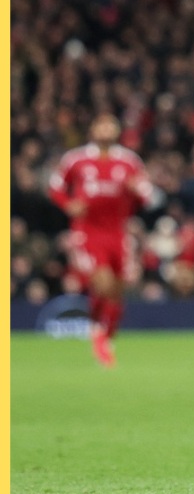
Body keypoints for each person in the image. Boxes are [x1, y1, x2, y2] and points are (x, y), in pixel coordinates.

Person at [47, 114, 154, 366]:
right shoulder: (76, 159)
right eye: (101, 124)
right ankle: (99, 336)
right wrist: (68, 204)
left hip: (119, 232)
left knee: (117, 292)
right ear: (93, 129)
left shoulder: (129, 161)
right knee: (103, 282)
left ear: (116, 130)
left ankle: (104, 334)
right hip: (88, 232)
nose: (106, 129)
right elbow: (55, 187)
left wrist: (136, 191)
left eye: (110, 125)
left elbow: (147, 197)